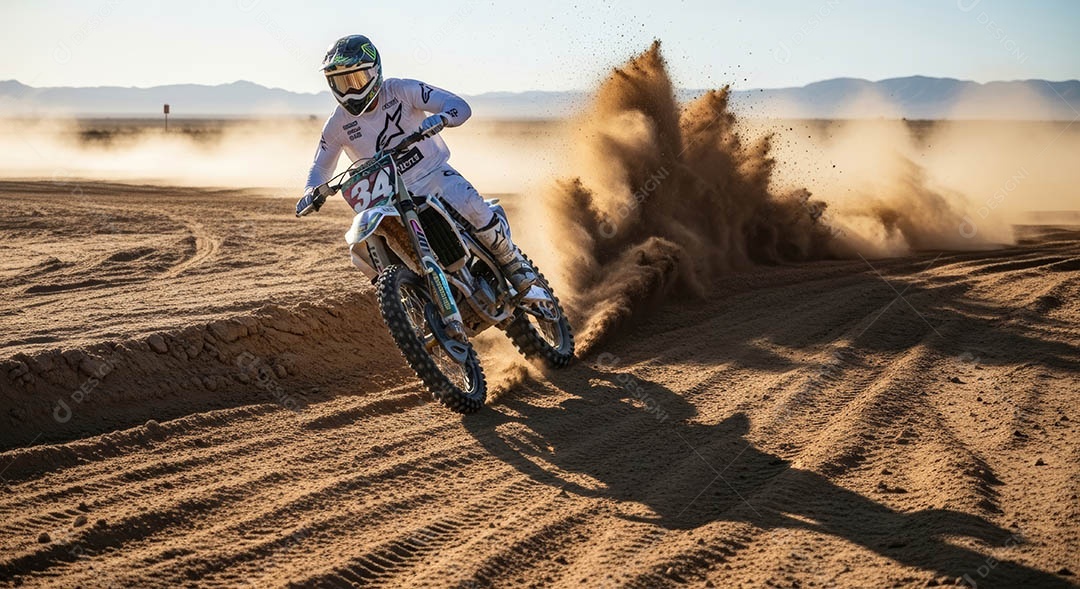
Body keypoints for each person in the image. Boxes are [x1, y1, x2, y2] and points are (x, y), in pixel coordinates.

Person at [295, 34, 537, 292]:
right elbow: (321, 166)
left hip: (433, 174)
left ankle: (514, 264)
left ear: (375, 72)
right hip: (386, 196)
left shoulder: (401, 90)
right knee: (360, 246)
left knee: (472, 206)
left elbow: (458, 105)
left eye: (357, 79)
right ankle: (408, 299)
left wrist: (443, 118)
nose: (351, 90)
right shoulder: (337, 124)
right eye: (341, 83)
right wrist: (311, 192)